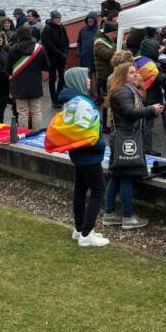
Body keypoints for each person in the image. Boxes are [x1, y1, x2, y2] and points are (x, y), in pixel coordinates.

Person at [105, 61, 162, 229]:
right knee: (127, 176)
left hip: (123, 138)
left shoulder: (125, 90)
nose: (136, 74)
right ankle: (128, 217)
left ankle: (109, 214)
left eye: (135, 71)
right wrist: (151, 110)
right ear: (123, 77)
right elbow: (130, 113)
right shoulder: (123, 92)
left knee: (116, 175)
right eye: (131, 72)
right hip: (127, 139)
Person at [58, 67, 110, 248]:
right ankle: (87, 234)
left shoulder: (70, 101)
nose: (89, 81)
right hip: (89, 154)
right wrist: (100, 144)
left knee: (80, 190)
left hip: (78, 153)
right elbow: (85, 132)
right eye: (86, 78)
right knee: (98, 191)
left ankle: (79, 228)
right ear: (78, 81)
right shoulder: (81, 103)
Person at [7, 25, 50, 129]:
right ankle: (36, 135)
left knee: (22, 113)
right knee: (36, 112)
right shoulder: (39, 49)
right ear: (29, 35)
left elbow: (7, 69)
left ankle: (23, 135)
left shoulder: (12, 49)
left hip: (19, 86)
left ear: (18, 36)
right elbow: (47, 67)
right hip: (35, 85)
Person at [40, 10, 70, 106]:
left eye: (60, 18)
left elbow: (66, 40)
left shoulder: (62, 27)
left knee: (62, 78)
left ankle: (59, 96)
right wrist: (60, 53)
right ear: (52, 19)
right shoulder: (47, 29)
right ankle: (54, 100)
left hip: (61, 57)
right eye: (57, 18)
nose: (59, 19)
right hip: (52, 58)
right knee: (52, 79)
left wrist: (65, 52)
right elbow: (48, 45)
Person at [93, 21, 117, 129]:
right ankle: (105, 127)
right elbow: (107, 55)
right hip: (104, 76)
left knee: (111, 99)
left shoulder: (106, 41)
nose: (115, 36)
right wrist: (117, 47)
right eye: (114, 34)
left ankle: (110, 122)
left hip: (109, 74)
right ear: (108, 33)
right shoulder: (99, 43)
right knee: (107, 100)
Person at [77, 12, 99, 79]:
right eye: (88, 18)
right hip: (85, 58)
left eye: (92, 18)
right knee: (86, 78)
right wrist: (79, 51)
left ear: (95, 20)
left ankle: (96, 89)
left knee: (96, 78)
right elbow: (79, 42)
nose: (90, 20)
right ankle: (87, 89)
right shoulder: (82, 30)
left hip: (95, 58)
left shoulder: (99, 31)